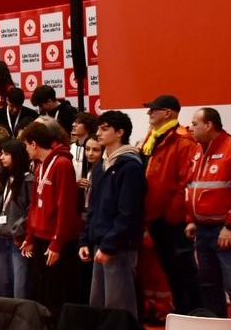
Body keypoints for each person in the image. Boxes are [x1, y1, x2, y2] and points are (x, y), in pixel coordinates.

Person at [78, 110, 146, 319]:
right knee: (98, 304)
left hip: (119, 246)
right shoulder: (100, 166)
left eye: (104, 128)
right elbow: (94, 206)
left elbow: (129, 212)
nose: (98, 133)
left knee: (118, 306)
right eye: (98, 128)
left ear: (119, 132)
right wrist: (85, 240)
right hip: (100, 243)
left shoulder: (130, 166)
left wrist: (109, 246)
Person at [139, 95, 202, 314]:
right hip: (156, 218)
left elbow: (185, 182)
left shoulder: (183, 141)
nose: (149, 113)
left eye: (153, 110)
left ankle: (194, 316)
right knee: (171, 271)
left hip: (172, 221)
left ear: (167, 113)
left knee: (185, 272)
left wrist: (172, 216)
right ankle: (181, 314)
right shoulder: (153, 137)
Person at [19, 121, 81, 319]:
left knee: (56, 294)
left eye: (26, 145)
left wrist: (57, 243)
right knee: (41, 291)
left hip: (56, 241)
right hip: (40, 236)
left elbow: (66, 208)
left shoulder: (62, 164)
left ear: (34, 144)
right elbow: (34, 204)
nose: (25, 150)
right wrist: (29, 236)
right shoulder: (40, 166)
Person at [185, 107, 231, 317]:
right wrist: (191, 219)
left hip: (224, 231)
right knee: (208, 284)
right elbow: (191, 186)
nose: (190, 128)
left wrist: (229, 226)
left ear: (209, 125)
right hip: (202, 230)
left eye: (195, 124)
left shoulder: (229, 149)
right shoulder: (196, 150)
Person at [0, 139, 32, 299]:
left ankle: (20, 315)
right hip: (0, 238)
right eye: (2, 153)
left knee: (20, 287)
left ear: (17, 156)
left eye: (6, 154)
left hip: (18, 240)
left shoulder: (28, 180)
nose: (2, 157)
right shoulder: (2, 178)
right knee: (2, 285)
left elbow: (32, 211)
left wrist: (19, 229)